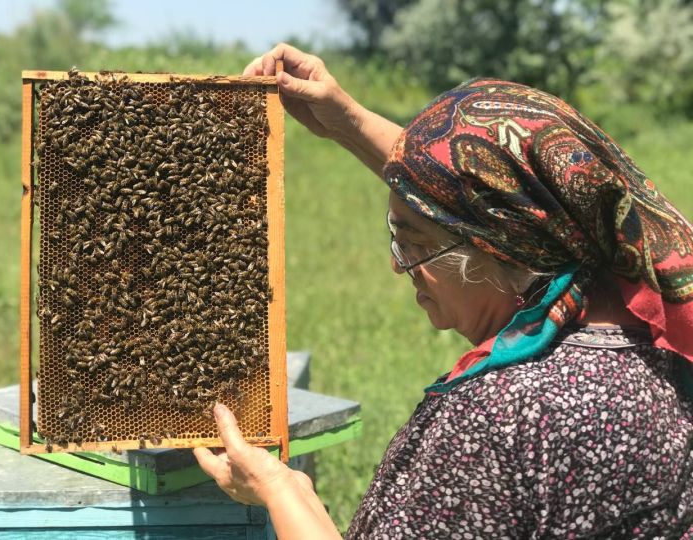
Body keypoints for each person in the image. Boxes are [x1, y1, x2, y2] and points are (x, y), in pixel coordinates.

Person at [193, 43, 693, 538]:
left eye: (412, 245)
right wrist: (347, 122)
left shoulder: (495, 421)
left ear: (500, 252)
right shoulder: (662, 348)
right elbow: (478, 195)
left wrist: (280, 489)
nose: (397, 264)